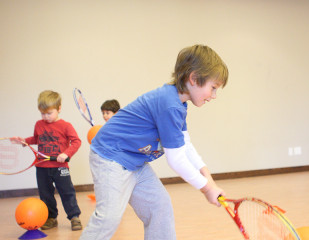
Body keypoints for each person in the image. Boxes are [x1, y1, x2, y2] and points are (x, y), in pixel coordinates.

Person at [80, 44, 229, 240]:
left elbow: (186, 145)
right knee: (109, 218)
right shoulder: (169, 104)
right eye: (213, 88)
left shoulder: (179, 103)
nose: (214, 95)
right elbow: (176, 159)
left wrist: (207, 176)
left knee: (159, 207)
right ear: (193, 78)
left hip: (135, 162)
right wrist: (207, 189)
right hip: (111, 157)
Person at [14, 90, 83, 231]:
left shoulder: (66, 126)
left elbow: (76, 141)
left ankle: (74, 217)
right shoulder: (39, 124)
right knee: (45, 195)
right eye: (43, 113)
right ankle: (51, 218)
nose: (46, 117)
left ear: (59, 108)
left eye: (49, 113)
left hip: (60, 167)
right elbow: (36, 138)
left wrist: (66, 153)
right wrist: (24, 141)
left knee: (67, 192)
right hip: (42, 167)